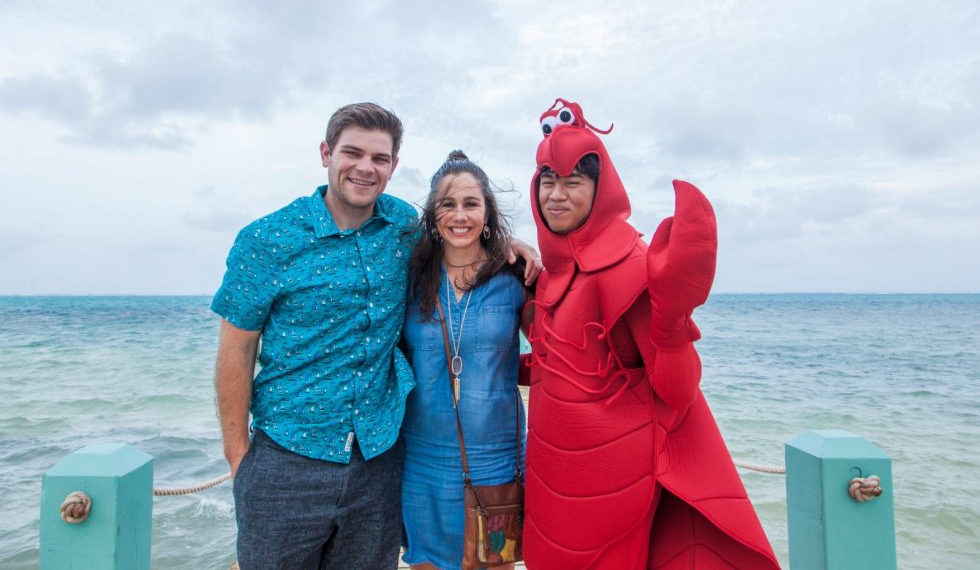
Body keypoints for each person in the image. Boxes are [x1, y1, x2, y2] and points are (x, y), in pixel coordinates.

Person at [212, 104, 540, 570]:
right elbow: (236, 350)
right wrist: (239, 459)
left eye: (379, 158)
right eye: (353, 152)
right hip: (286, 463)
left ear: (393, 167)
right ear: (326, 153)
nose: (365, 167)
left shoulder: (402, 229)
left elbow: (459, 231)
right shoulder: (267, 238)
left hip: (378, 464)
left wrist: (507, 245)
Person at [521, 99, 780, 569]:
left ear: (601, 190)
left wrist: (673, 318)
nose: (556, 195)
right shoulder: (549, 273)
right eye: (548, 182)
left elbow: (675, 389)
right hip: (547, 471)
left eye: (573, 182)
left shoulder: (632, 263)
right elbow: (555, 363)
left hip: (612, 480)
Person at [400, 151, 527, 570]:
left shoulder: (516, 278)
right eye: (448, 204)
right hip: (421, 463)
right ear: (433, 215)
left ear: (487, 212)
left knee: (495, 563)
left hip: (496, 462)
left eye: (471, 204)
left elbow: (561, 352)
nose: (460, 215)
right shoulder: (409, 279)